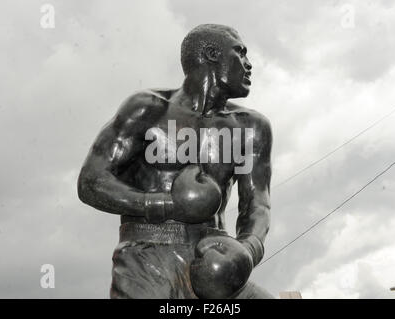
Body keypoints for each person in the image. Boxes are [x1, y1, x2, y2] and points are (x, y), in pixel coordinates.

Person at [78, 24, 274, 299]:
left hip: (215, 256)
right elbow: (91, 181)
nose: (249, 64)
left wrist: (247, 251)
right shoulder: (148, 108)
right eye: (240, 53)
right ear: (211, 54)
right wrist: (164, 204)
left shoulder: (251, 127)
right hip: (148, 252)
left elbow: (257, 204)